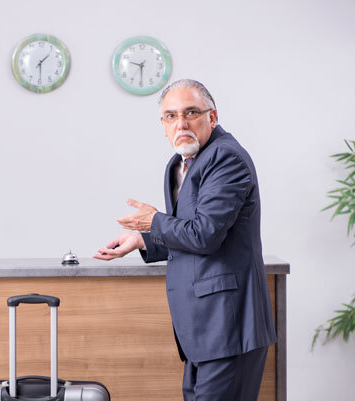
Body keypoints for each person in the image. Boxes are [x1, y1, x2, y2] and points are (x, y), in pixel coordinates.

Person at [94, 79, 277, 401]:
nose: (181, 123)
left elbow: (205, 235)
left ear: (212, 117)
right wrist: (143, 239)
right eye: (170, 116)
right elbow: (192, 233)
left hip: (227, 325)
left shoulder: (226, 158)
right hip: (202, 330)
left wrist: (154, 221)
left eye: (191, 112)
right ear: (163, 125)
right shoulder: (180, 164)